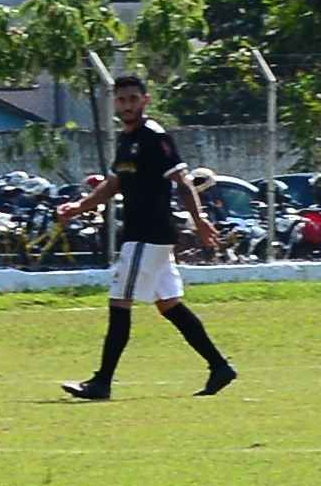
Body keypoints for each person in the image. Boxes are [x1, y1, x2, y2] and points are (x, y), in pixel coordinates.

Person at [60, 73, 238, 400]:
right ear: (115, 102)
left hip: (148, 234)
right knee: (169, 304)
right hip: (146, 236)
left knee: (119, 302)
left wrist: (199, 220)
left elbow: (183, 182)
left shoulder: (154, 137)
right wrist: (80, 206)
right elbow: (114, 183)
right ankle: (219, 366)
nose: (127, 105)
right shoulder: (127, 140)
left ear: (146, 100)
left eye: (132, 99)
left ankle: (102, 382)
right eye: (121, 99)